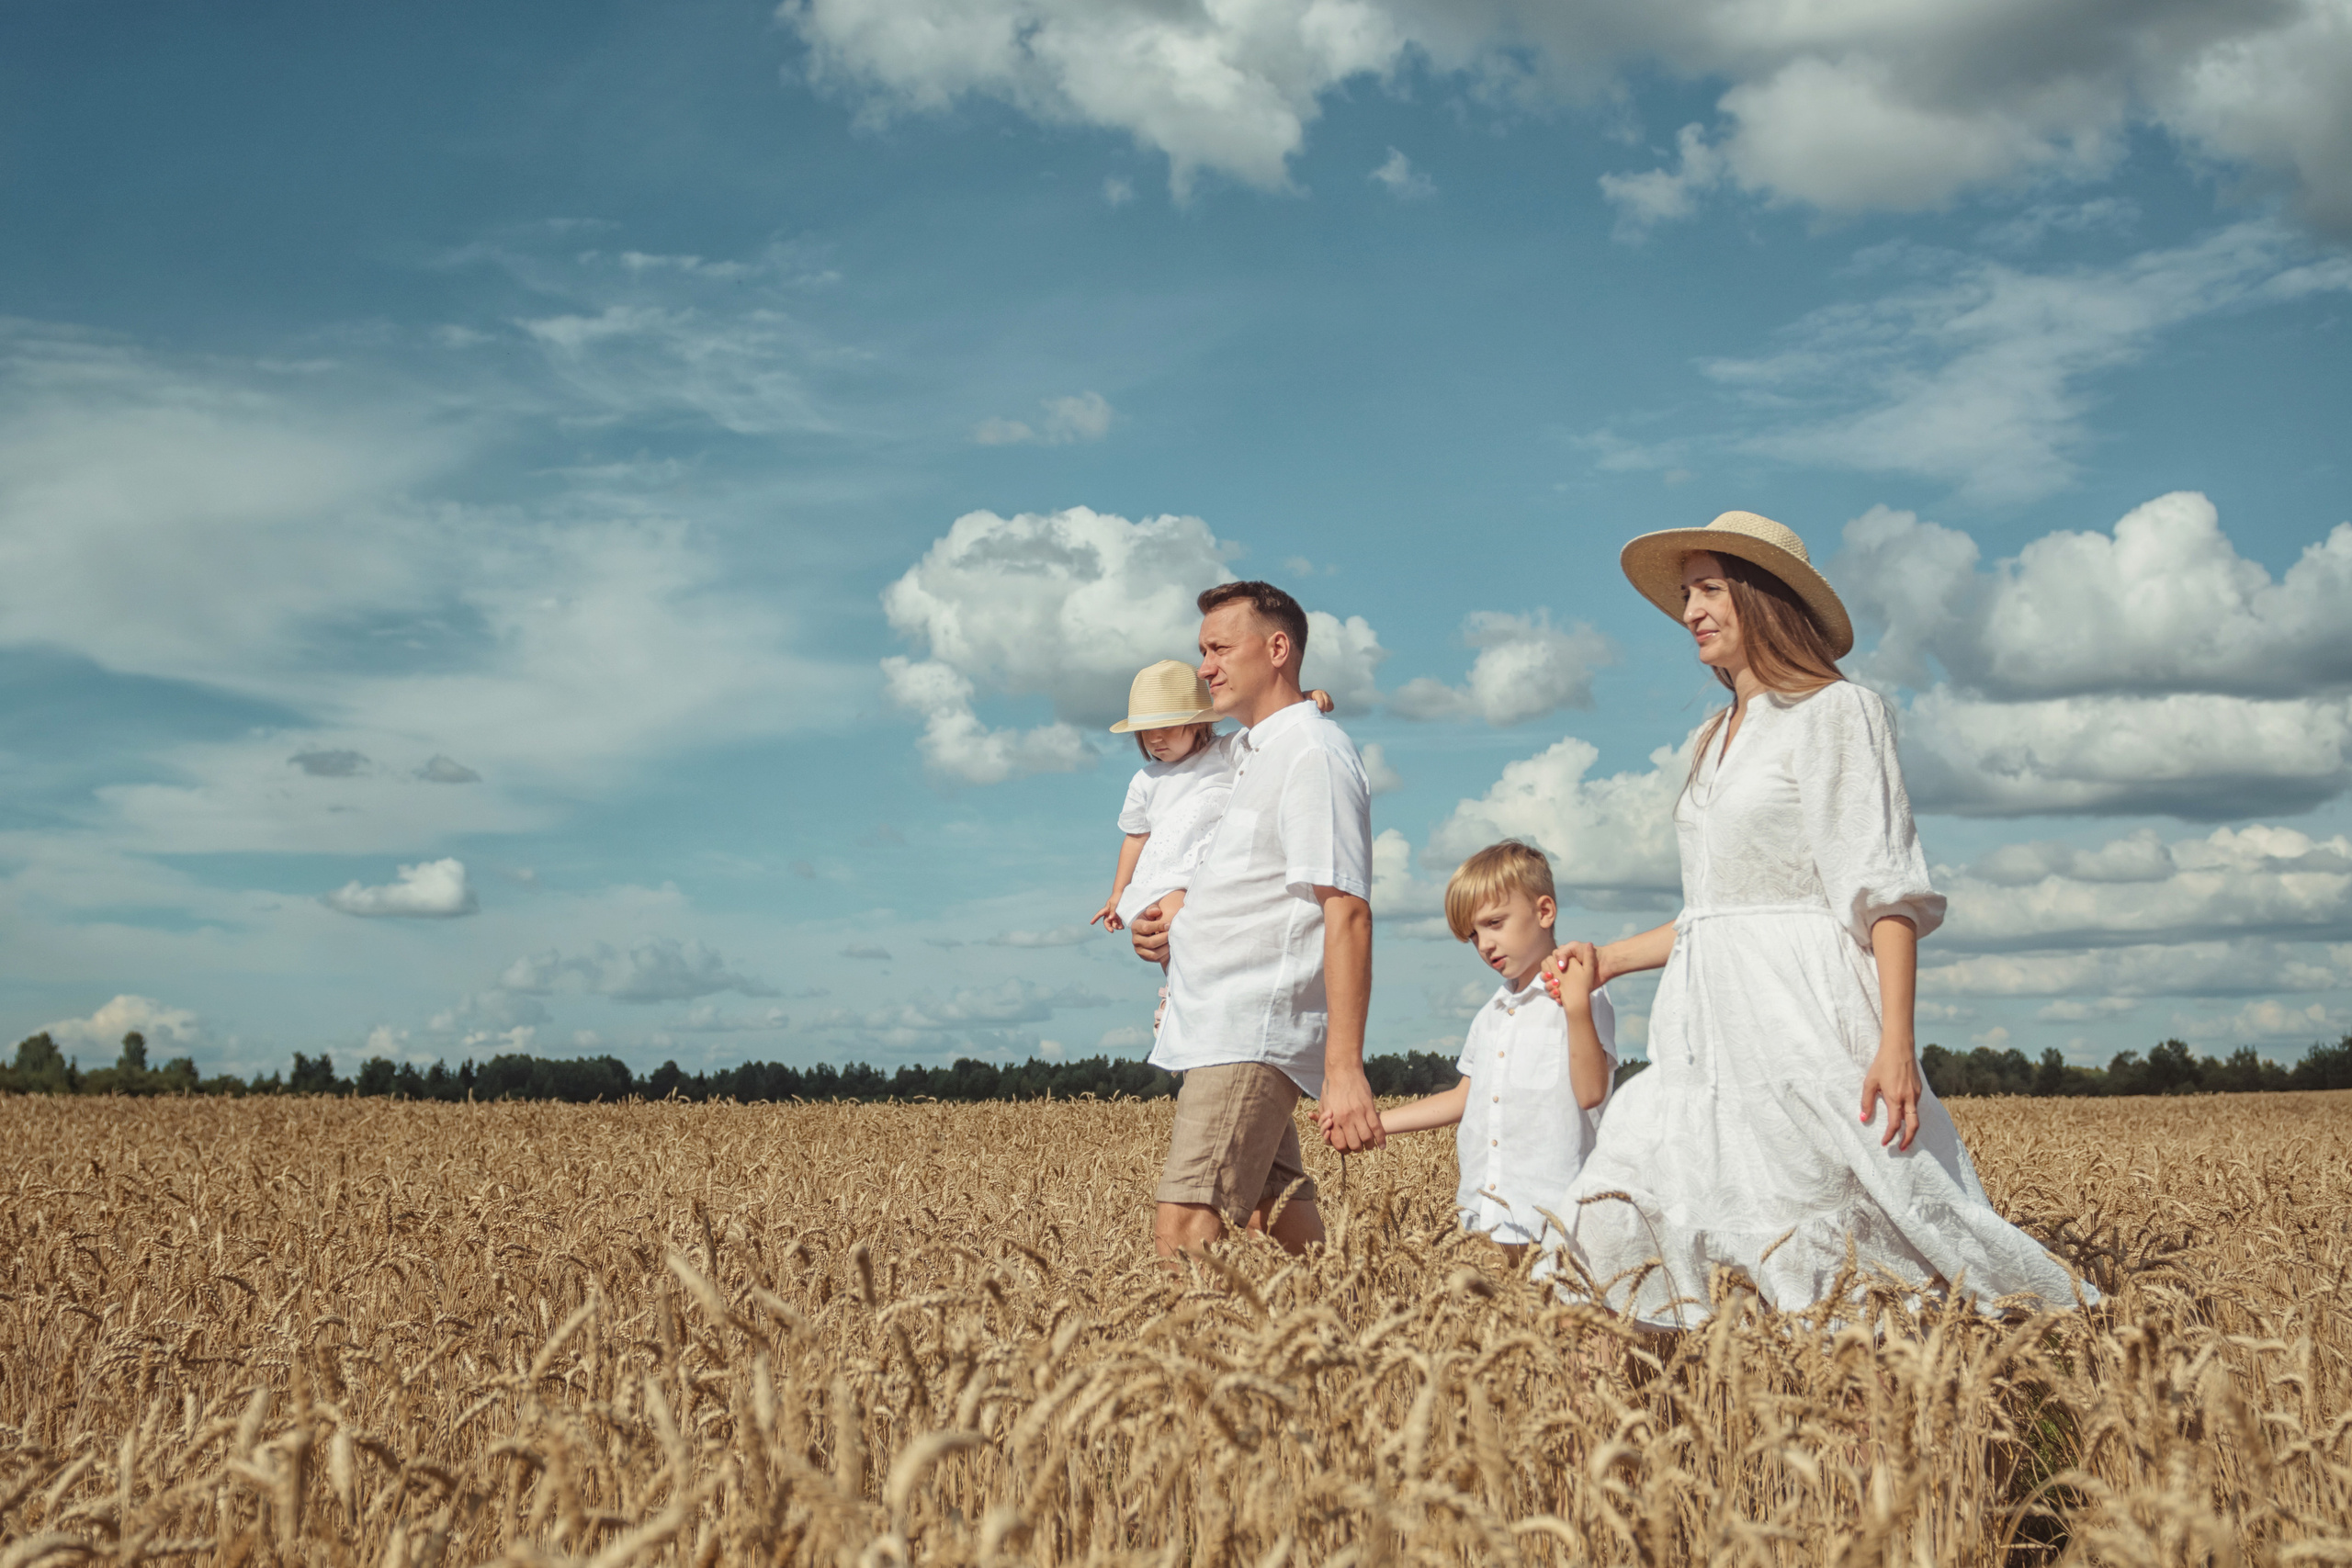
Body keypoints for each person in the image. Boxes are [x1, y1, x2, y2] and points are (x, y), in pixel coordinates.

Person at [1539, 510, 2094, 1325]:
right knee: (1622, 1205)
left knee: (1838, 1241)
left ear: (1761, 596)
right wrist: (1608, 958)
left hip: (1801, 1018)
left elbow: (1883, 890)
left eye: (1708, 590)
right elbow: (1716, 909)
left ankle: (1924, 1418)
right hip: (1704, 1029)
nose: (1689, 610)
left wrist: (1896, 1041)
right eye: (1686, 594)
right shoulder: (1710, 736)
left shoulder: (1840, 712)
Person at [1127, 581, 1378, 1258]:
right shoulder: (1248, 752)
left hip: (1249, 1028)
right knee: (1279, 1215)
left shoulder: (1312, 754)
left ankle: (1180, 1369)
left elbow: (1347, 908)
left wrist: (1344, 1067)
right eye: (1201, 650)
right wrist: (1166, 923)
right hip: (1213, 1021)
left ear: (1276, 648)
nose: (1204, 666)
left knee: (1184, 1227)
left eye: (1218, 647)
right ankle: (1343, 1336)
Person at [1358, 840, 1616, 1260]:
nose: (1485, 945)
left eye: (1495, 923)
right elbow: (1464, 1098)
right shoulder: (1490, 1014)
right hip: (1484, 1216)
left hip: (1556, 1219)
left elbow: (1591, 1093)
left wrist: (1576, 1005)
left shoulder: (1585, 994)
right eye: (1473, 934)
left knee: (1561, 1326)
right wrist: (1375, 1125)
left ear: (1544, 911)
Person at [1089, 662, 1333, 1032]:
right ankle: (1176, 996)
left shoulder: (1224, 751)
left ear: (1200, 722)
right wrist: (1117, 892)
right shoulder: (1145, 780)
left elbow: (1271, 732)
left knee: (1185, 934)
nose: (1155, 739)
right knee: (1170, 924)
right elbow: (1136, 836)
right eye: (1146, 732)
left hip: (1209, 868)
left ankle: (1183, 995)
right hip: (1167, 874)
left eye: (1167, 727)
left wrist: (1304, 701)